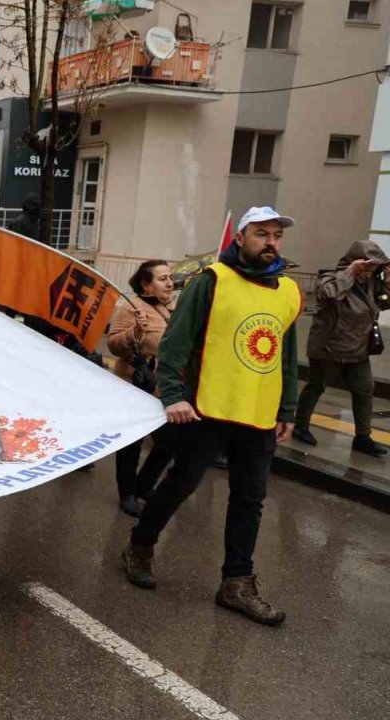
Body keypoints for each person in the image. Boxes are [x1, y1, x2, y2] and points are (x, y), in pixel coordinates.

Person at [122, 206, 302, 626]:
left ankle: (236, 583)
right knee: (181, 483)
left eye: (276, 235)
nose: (270, 241)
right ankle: (140, 545)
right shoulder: (212, 281)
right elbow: (175, 343)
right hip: (207, 408)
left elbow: (286, 356)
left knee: (249, 500)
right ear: (240, 238)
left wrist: (286, 408)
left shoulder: (289, 291)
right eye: (261, 233)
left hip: (257, 414)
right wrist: (172, 395)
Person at [293, 239, 390, 456]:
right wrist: (350, 273)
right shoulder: (331, 278)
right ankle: (301, 426)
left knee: (365, 391)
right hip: (329, 349)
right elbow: (329, 294)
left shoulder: (372, 284)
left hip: (358, 350)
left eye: (374, 269)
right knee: (316, 386)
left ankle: (363, 437)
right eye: (367, 268)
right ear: (356, 262)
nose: (369, 274)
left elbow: (384, 303)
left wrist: (389, 281)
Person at [107, 260, 176, 518]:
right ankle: (127, 493)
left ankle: (143, 486)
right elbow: (114, 344)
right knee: (131, 444)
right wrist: (135, 330)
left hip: (162, 390)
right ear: (146, 284)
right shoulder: (131, 309)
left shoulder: (169, 309)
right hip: (134, 387)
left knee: (169, 444)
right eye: (162, 278)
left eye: (170, 277)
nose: (170, 283)